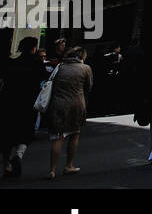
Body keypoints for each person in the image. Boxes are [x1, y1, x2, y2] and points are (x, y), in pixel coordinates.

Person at [43, 46, 93, 179]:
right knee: (74, 134)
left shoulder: (60, 67)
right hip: (76, 104)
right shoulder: (85, 69)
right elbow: (88, 87)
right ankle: (69, 165)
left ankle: (52, 169)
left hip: (58, 104)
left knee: (58, 137)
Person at [0, 38, 47, 179]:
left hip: (9, 102)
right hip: (28, 102)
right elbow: (43, 80)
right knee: (26, 132)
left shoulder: (11, 63)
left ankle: (7, 165)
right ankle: (19, 155)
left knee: (7, 134)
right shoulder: (37, 63)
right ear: (33, 48)